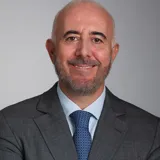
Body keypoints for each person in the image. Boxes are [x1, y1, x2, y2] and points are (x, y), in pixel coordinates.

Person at [0, 0, 160, 159]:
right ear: (52, 51)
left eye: (97, 40)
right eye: (72, 38)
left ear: (113, 53)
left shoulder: (152, 132)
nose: (84, 52)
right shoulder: (9, 124)